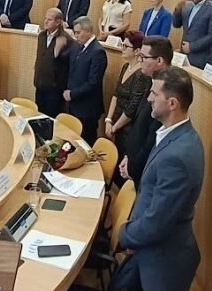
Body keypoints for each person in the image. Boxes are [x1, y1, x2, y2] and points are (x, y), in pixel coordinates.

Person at [112, 66, 204, 291]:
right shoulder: (172, 135)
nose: (149, 98)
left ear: (172, 103)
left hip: (165, 263)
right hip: (151, 252)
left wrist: (125, 234)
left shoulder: (178, 155)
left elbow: (157, 222)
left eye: (154, 93)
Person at [119, 36, 174, 185]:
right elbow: (138, 124)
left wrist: (133, 169)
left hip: (144, 174)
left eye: (143, 57)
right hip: (134, 163)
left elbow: (151, 140)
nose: (139, 60)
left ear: (159, 61)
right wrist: (128, 156)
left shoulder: (166, 92)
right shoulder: (150, 80)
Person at [104, 30, 152, 162]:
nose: (122, 48)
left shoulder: (141, 75)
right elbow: (116, 94)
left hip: (128, 129)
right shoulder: (126, 66)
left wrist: (114, 127)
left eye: (126, 46)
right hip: (116, 123)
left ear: (137, 51)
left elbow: (132, 108)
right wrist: (108, 120)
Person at [66, 16, 108, 144]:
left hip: (87, 108)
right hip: (74, 104)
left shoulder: (97, 52)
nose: (76, 36)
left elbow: (93, 82)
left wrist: (72, 94)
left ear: (88, 31)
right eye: (75, 32)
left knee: (85, 143)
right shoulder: (77, 47)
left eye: (78, 33)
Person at [33, 8, 71, 116]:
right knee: (39, 116)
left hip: (54, 88)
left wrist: (57, 50)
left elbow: (66, 66)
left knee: (51, 118)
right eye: (45, 18)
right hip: (40, 84)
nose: (45, 21)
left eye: (49, 19)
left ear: (58, 22)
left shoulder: (65, 39)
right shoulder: (42, 35)